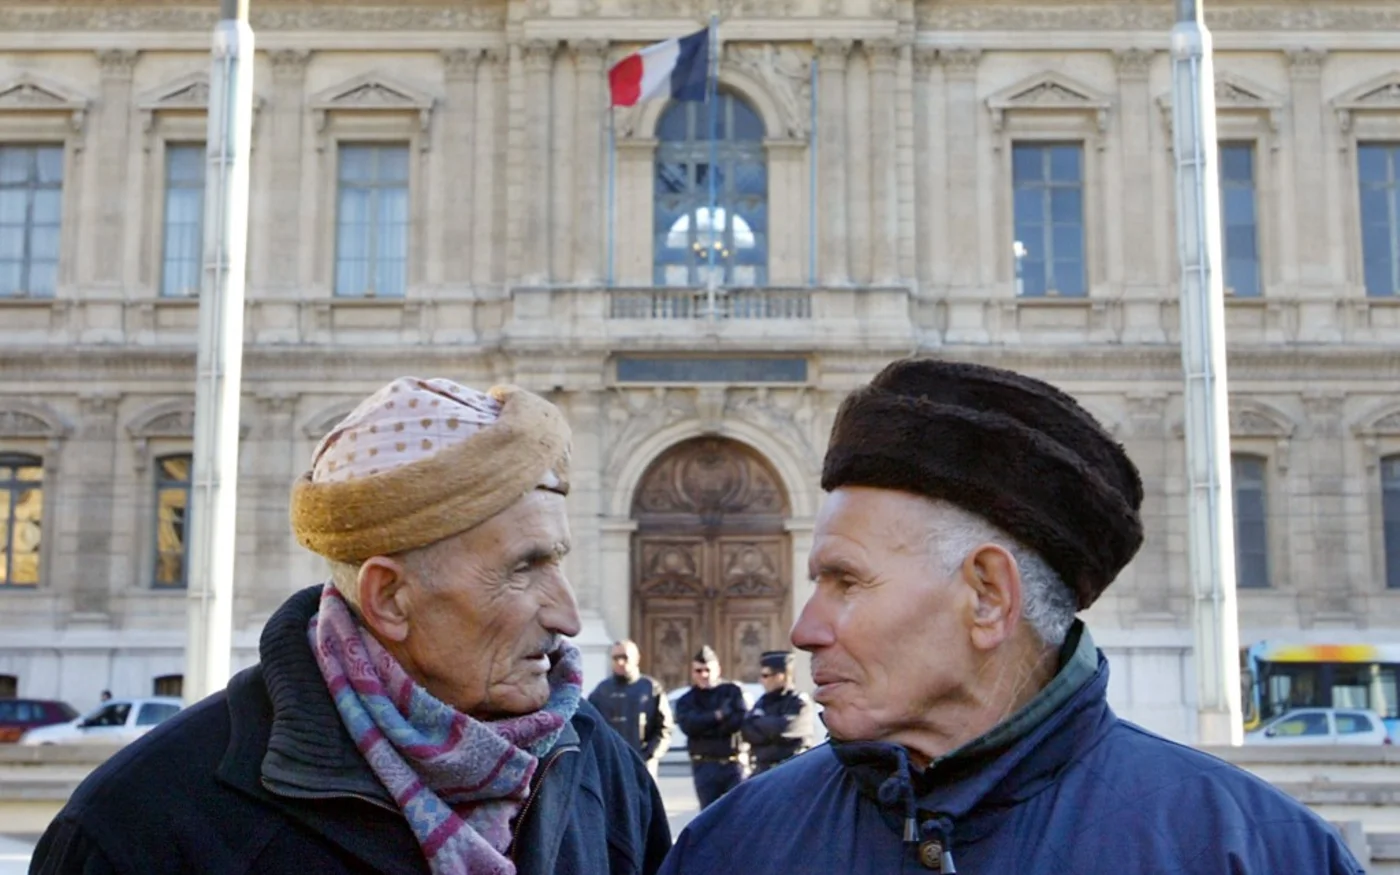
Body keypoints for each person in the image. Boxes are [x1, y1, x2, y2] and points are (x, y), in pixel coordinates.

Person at [658, 358, 1365, 874]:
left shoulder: (1251, 852)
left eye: (845, 580)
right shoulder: (732, 846)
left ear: (989, 595)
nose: (804, 628)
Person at [31, 378, 671, 875]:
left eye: (557, 560)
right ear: (389, 597)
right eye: (524, 569)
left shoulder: (595, 762)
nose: (568, 615)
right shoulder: (142, 824)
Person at [673, 646, 748, 809]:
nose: (703, 675)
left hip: (732, 763)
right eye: (698, 671)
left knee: (740, 813)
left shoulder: (732, 692)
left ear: (718, 669)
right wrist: (717, 716)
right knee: (709, 816)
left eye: (708, 670)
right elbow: (689, 725)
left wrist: (706, 724)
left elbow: (739, 721)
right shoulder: (687, 700)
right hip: (704, 765)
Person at [587, 638, 673, 777]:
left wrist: (649, 754)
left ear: (637, 658)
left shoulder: (651, 689)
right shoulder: (601, 691)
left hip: (642, 766)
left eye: (625, 657)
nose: (620, 662)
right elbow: (589, 726)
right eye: (616, 658)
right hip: (610, 766)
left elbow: (665, 728)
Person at [739, 651, 814, 776]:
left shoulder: (798, 702)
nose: (761, 681)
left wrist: (762, 725)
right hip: (763, 769)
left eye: (765, 675)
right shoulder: (762, 702)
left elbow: (787, 729)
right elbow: (747, 729)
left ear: (781, 676)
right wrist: (771, 728)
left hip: (792, 770)